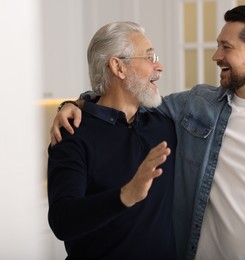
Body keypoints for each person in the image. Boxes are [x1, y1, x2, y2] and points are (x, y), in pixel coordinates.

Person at [50, 5, 245, 260]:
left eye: (226, 47)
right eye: (217, 45)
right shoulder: (194, 107)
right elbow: (119, 104)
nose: (215, 56)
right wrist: (76, 103)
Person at [47, 22, 177, 259]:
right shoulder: (73, 132)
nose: (159, 66)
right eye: (149, 57)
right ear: (118, 66)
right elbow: (62, 220)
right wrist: (126, 195)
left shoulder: (165, 125)